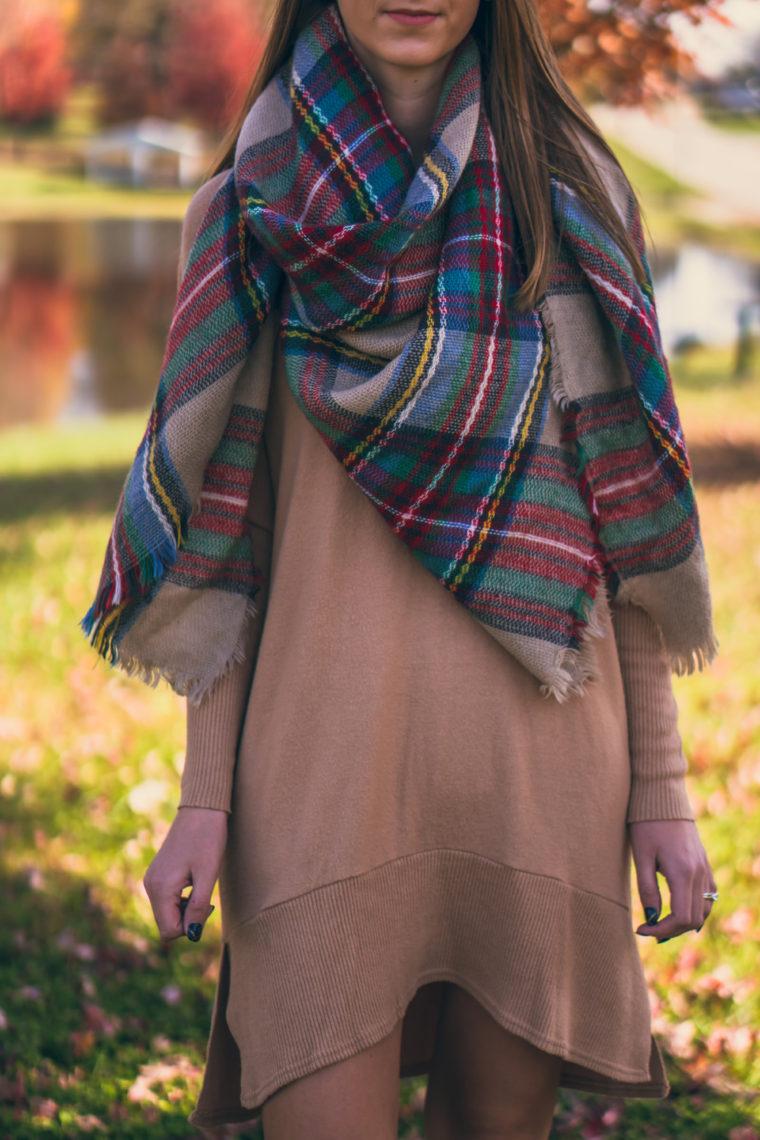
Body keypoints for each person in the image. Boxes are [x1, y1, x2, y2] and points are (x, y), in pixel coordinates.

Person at [84, 1, 720, 1136]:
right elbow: (227, 542)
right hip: (320, 780)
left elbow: (620, 516)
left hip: (539, 774)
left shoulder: (568, 198)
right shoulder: (244, 214)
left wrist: (662, 796)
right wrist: (204, 796)